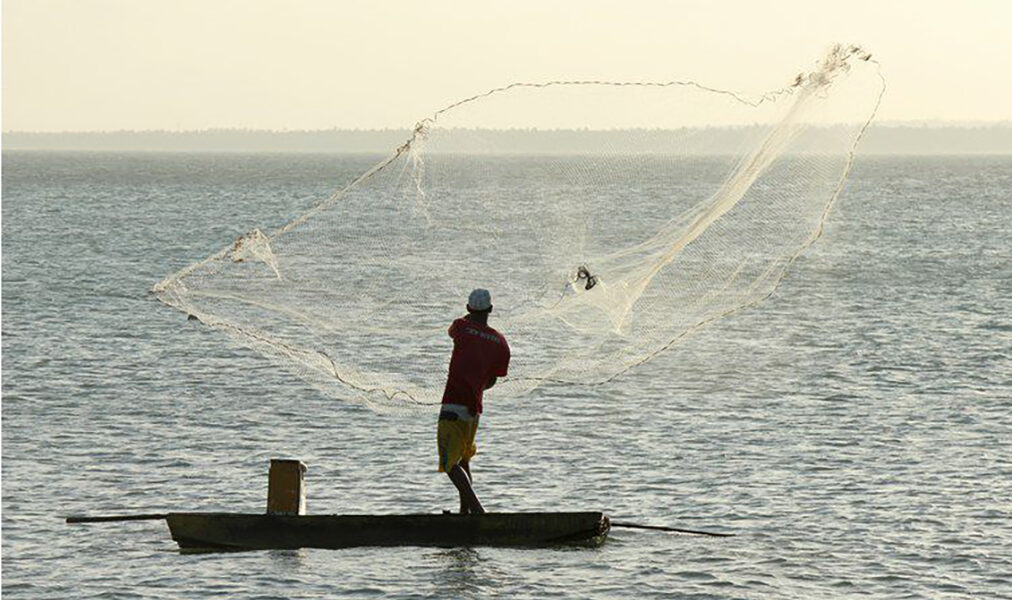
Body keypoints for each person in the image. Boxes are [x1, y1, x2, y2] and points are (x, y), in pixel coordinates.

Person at [437, 288, 510, 514]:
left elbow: (452, 329)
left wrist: (469, 318)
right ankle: (464, 513)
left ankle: (477, 510)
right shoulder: (500, 341)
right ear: (490, 309)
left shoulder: (461, 327)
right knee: (464, 460)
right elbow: (492, 381)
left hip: (452, 404)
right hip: (473, 409)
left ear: (469, 308)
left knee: (450, 464)